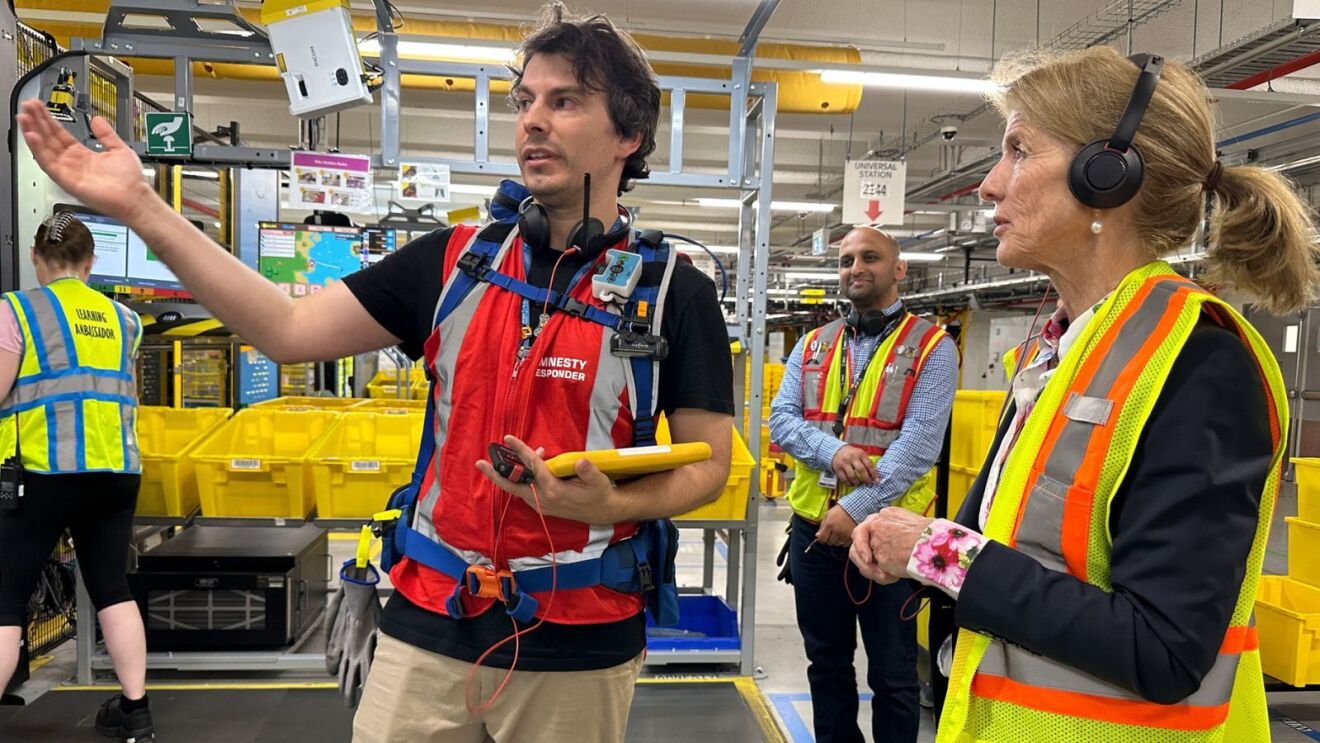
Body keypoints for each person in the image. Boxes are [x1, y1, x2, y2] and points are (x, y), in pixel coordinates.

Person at [16, 3, 733, 741]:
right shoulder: (457, 262)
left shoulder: (674, 290)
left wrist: (605, 508)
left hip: (582, 641)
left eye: (565, 101)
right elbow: (285, 329)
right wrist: (141, 207)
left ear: (629, 134)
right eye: (526, 102)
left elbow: (710, 463)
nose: (533, 122)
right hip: (428, 625)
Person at [848, 46, 1316, 743]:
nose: (988, 185)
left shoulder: (1201, 366)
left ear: (1107, 175)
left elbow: (1164, 647)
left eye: (1018, 151)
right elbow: (1031, 551)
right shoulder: (1066, 352)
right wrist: (918, 556)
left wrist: (940, 551)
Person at [769, 225, 958, 743]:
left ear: (899, 269)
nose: (856, 268)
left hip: (890, 541)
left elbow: (920, 445)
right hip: (812, 535)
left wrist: (856, 508)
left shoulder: (932, 348)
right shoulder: (813, 344)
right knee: (825, 664)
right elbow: (781, 421)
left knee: (894, 676)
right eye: (847, 259)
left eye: (870, 257)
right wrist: (833, 451)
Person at [0, 213, 150, 740]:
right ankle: (136, 711)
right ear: (91, 263)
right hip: (115, 472)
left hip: (41, 473)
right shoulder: (125, 320)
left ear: (37, 260)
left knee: (6, 599)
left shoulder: (16, 310)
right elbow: (126, 395)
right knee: (112, 587)